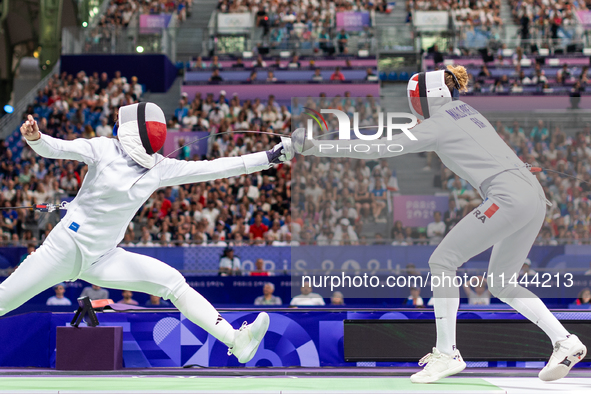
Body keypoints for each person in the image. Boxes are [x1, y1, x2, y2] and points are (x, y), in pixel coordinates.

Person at [293, 65, 587, 382]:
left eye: (415, 100)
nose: (414, 107)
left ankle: (447, 352)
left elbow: (380, 148)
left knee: (442, 261)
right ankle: (565, 341)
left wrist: (317, 146)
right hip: (533, 195)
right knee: (502, 283)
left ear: (427, 97)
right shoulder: (466, 111)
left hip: (508, 196)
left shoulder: (438, 125)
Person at [9, 102, 294, 364]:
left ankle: (236, 341)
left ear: (130, 130)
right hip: (64, 249)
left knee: (173, 283)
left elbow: (214, 168)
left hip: (103, 258)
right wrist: (36, 138)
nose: (116, 127)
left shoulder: (159, 167)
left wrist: (268, 158)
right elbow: (57, 148)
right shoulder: (103, 149)